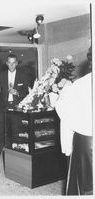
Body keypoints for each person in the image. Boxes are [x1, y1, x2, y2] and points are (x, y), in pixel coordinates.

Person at [55, 47, 93, 195]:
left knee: (85, 185)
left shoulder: (80, 84)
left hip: (87, 141)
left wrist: (62, 94)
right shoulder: (81, 84)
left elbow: (64, 109)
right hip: (87, 141)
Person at [0, 54, 35, 164]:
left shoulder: (23, 75)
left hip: (16, 109)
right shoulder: (1, 75)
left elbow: (27, 92)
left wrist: (17, 93)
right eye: (9, 63)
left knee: (16, 133)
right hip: (3, 108)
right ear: (6, 63)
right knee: (0, 133)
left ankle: (17, 157)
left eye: (13, 63)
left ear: (16, 63)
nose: (11, 65)